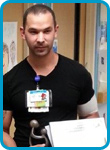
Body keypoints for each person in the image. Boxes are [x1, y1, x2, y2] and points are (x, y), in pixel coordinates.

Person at [3, 4, 99, 147]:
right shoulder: (9, 80)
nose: (40, 39)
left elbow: (91, 116)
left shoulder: (79, 74)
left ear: (56, 31)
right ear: (23, 33)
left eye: (47, 31)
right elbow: (2, 130)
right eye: (33, 32)